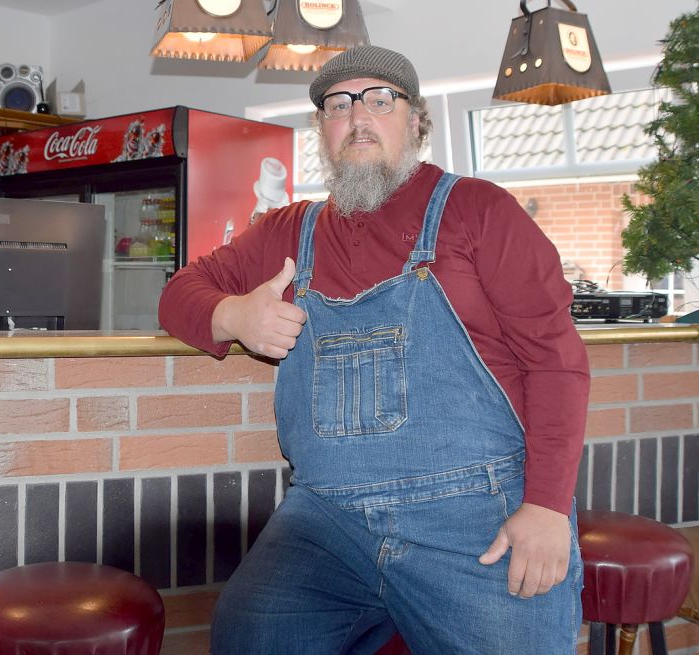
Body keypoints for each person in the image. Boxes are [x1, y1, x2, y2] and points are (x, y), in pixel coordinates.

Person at [158, 45, 589, 654]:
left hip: (476, 513)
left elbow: (556, 363)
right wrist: (234, 315)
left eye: (379, 100)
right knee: (251, 634)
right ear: (322, 129)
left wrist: (547, 508)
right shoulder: (288, 230)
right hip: (325, 518)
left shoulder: (479, 211)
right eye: (338, 104)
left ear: (415, 122)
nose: (358, 117)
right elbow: (179, 291)